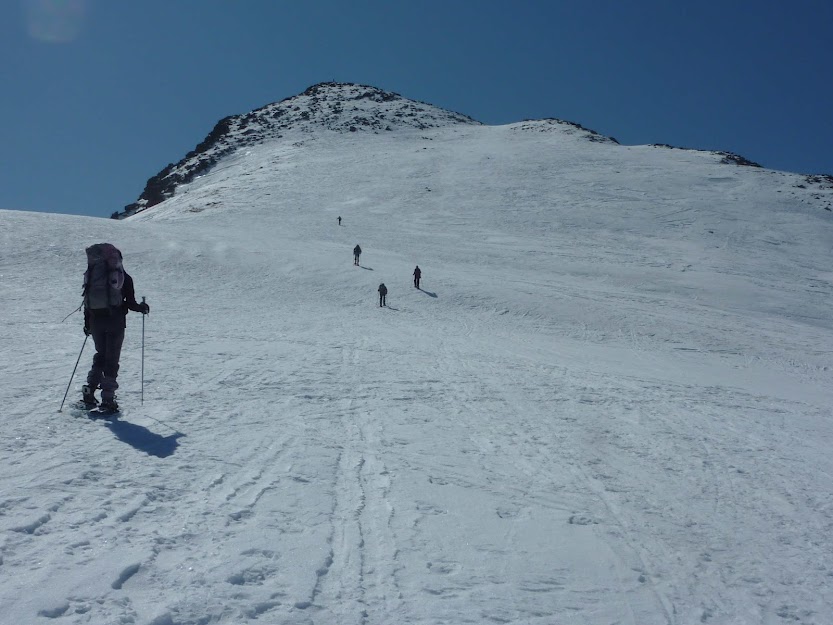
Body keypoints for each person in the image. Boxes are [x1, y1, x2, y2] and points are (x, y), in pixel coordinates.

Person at [81, 245, 149, 412]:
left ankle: (89, 391)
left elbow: (87, 301)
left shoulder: (92, 276)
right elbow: (131, 303)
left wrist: (88, 324)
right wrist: (142, 308)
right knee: (111, 360)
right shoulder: (123, 277)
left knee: (100, 355)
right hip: (115, 321)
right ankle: (108, 399)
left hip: (96, 321)